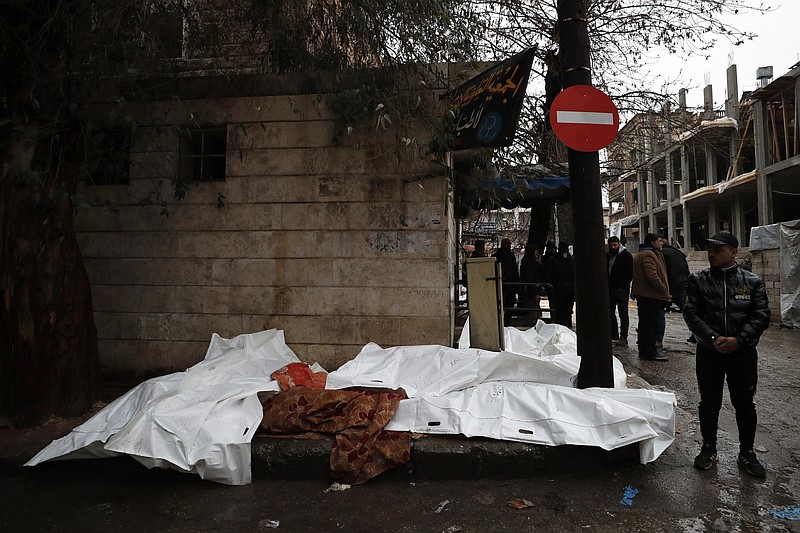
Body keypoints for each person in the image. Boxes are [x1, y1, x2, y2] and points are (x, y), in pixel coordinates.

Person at [683, 231, 770, 477]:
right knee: (709, 401)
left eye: (718, 249)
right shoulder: (697, 280)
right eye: (710, 249)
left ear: (734, 252)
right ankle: (709, 448)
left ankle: (747, 452)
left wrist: (739, 340)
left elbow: (761, 315)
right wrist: (712, 338)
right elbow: (691, 314)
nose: (712, 254)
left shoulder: (752, 282)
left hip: (742, 353)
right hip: (709, 353)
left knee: (744, 403)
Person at [631, 233, 671, 361]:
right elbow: (652, 275)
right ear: (653, 243)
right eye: (659, 241)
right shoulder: (648, 255)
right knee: (649, 324)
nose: (662, 243)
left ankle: (645, 351)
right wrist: (663, 289)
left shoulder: (646, 253)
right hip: (649, 295)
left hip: (646, 294)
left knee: (645, 324)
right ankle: (649, 352)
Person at [607, 236, 633, 346]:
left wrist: (623, 285)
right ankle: (614, 334)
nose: (613, 247)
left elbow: (629, 273)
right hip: (610, 288)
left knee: (623, 313)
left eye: (615, 245)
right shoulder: (608, 256)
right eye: (611, 245)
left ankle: (623, 336)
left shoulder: (626, 256)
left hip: (621, 289)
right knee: (610, 312)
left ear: (618, 244)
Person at [543, 241, 575, 328]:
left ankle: (560, 327)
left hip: (557, 289)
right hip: (569, 288)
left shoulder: (553, 260)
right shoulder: (571, 260)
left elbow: (548, 275)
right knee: (568, 311)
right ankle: (568, 327)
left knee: (559, 310)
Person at [493, 238, 520, 311]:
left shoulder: (511, 257)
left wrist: (517, 284)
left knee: (509, 307)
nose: (508, 246)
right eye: (506, 244)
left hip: (510, 285)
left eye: (509, 244)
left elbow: (515, 271)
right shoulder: (497, 256)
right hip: (501, 284)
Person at [519, 243, 543, 321]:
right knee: (532, 311)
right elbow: (530, 278)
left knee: (534, 311)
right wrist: (535, 293)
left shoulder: (531, 262)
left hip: (532, 290)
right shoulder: (528, 263)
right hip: (531, 291)